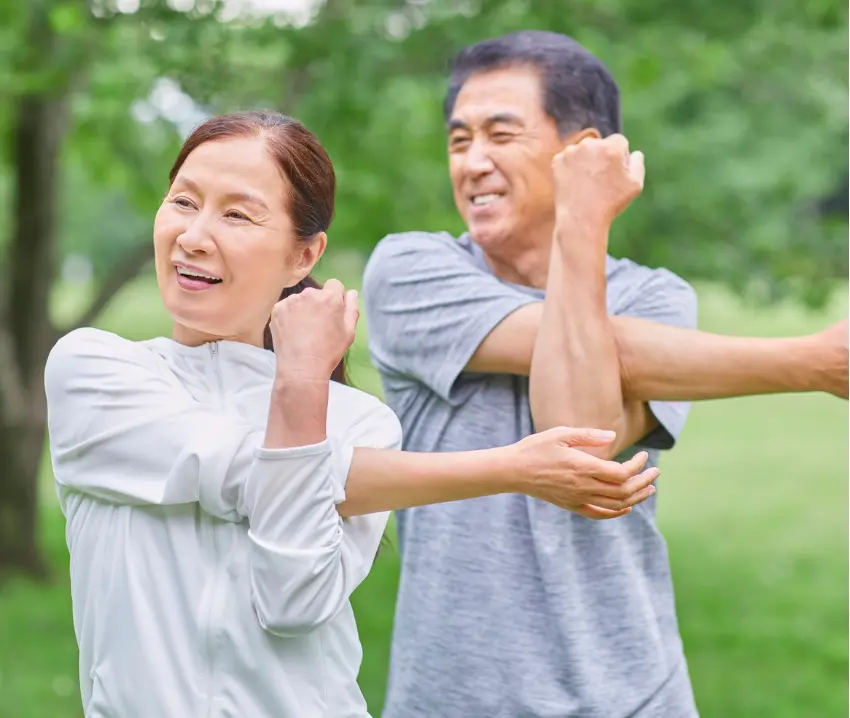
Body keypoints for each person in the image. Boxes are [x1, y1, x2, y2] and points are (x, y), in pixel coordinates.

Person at [44, 111, 661, 718]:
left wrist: (302, 386)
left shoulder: (359, 422)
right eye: (183, 201)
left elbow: (293, 602)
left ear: (303, 255)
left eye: (236, 213)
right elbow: (233, 466)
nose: (195, 235)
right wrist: (509, 468)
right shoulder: (95, 372)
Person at [362, 31, 848, 717]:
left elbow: (579, 434)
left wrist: (580, 219)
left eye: (501, 134)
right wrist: (812, 362)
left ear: (582, 151)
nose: (472, 162)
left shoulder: (658, 297)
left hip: (633, 696)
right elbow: (586, 382)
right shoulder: (411, 271)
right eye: (458, 139)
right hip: (456, 698)